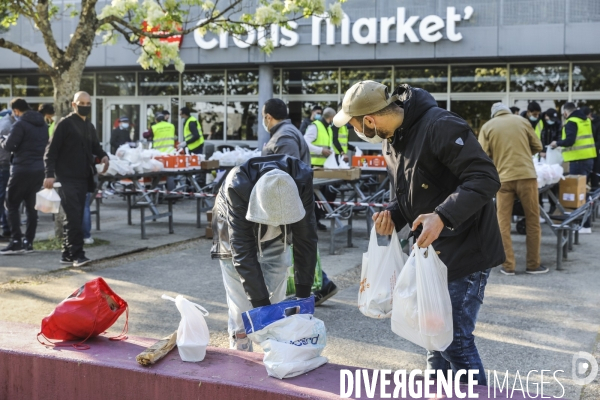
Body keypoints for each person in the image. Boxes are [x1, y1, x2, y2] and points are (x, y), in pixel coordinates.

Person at [334, 81, 505, 386]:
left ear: (369, 120)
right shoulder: (392, 141)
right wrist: (392, 214)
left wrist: (442, 215)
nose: (354, 131)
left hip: (466, 249)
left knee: (455, 342)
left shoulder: (440, 125)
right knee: (433, 340)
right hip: (431, 254)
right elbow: (409, 196)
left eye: (355, 125)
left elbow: (485, 178)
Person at [211, 154, 317, 351]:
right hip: (231, 235)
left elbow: (306, 240)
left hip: (277, 239)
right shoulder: (238, 186)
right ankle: (241, 351)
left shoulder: (301, 180)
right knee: (242, 307)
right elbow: (242, 252)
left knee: (276, 300)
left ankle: (276, 349)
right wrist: (261, 306)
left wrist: (303, 298)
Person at [261, 98, 339, 306]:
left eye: (263, 116)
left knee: (297, 246)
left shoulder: (284, 137)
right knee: (298, 245)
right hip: (293, 201)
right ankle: (319, 285)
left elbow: (287, 173)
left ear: (268, 117)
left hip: (290, 203)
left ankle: (319, 285)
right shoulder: (288, 132)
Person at [479, 103, 546, 276]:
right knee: (532, 220)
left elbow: (482, 155)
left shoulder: (487, 127)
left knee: (503, 222)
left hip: (503, 179)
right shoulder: (523, 121)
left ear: (494, 114)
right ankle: (533, 265)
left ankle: (508, 266)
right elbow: (538, 146)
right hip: (527, 176)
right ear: (507, 111)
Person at [43, 91, 109, 267]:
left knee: (75, 216)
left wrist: (103, 156)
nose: (85, 107)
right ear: (74, 104)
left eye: (88, 104)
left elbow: (95, 146)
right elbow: (51, 151)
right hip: (67, 178)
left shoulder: (89, 125)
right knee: (74, 217)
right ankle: (77, 255)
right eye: (82, 103)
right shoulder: (65, 124)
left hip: (84, 177)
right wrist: (49, 174)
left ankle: (67, 253)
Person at [0, 98, 48, 254]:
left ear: (16, 111)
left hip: (21, 169)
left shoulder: (19, 124)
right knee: (31, 207)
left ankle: (16, 242)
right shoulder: (42, 124)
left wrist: (2, 140)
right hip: (39, 170)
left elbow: (9, 146)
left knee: (11, 204)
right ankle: (28, 242)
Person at [551, 102, 597, 233]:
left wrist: (557, 143)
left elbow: (570, 141)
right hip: (588, 158)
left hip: (578, 161)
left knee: (577, 193)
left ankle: (584, 225)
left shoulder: (571, 121)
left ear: (565, 112)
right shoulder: (585, 120)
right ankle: (585, 223)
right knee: (583, 191)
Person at [304, 107, 336, 231]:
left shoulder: (328, 128)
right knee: (313, 196)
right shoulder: (315, 126)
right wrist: (321, 151)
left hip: (323, 167)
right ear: (331, 117)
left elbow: (329, 145)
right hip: (313, 166)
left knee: (320, 196)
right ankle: (312, 223)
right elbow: (305, 142)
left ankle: (316, 221)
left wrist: (331, 153)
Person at [261, 98, 311, 166]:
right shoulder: (284, 131)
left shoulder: (284, 136)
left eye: (263, 116)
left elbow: (287, 171)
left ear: (269, 118)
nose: (263, 120)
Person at [0, 109, 15, 240]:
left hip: (4, 164)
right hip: (4, 165)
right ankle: (6, 229)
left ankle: (6, 228)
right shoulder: (7, 126)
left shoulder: (6, 124)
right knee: (4, 198)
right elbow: (7, 147)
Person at [580, 107, 600, 190]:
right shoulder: (583, 123)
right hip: (585, 155)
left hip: (595, 153)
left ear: (590, 115)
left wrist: (591, 148)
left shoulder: (597, 123)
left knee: (595, 179)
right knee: (584, 179)